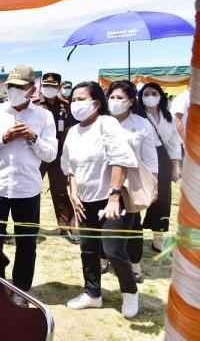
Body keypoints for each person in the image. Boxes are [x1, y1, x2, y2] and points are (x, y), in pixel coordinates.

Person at [0, 64, 57, 307]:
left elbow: (51, 154)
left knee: (27, 242)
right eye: (11, 86)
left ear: (32, 89)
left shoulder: (44, 116)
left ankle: (21, 288)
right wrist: (3, 138)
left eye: (21, 87)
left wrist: (33, 137)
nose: (15, 91)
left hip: (28, 188)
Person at [61, 81, 140, 319]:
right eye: (73, 100)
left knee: (113, 249)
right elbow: (70, 168)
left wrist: (114, 197)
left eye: (81, 99)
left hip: (112, 200)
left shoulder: (107, 124)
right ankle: (93, 294)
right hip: (85, 201)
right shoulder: (73, 132)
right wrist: (73, 194)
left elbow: (120, 160)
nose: (76, 104)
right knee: (88, 249)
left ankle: (130, 292)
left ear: (96, 103)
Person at [104, 80, 158, 284]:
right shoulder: (102, 122)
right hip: (104, 180)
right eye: (112, 97)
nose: (115, 101)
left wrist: (154, 184)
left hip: (132, 182)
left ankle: (135, 263)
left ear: (131, 101)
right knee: (103, 220)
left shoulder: (141, 124)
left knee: (133, 224)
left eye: (120, 98)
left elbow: (150, 157)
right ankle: (103, 259)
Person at [32, 72, 79, 244]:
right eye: (46, 85)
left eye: (53, 86)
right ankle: (30, 226)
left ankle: (66, 227)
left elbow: (68, 130)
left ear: (58, 88)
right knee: (31, 190)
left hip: (59, 155)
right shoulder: (34, 105)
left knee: (60, 190)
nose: (49, 89)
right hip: (38, 154)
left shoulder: (65, 106)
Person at [138, 83, 181, 252]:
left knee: (163, 200)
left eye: (154, 93)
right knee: (136, 197)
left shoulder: (167, 116)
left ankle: (158, 238)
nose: (150, 96)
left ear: (160, 96)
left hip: (162, 157)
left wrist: (174, 168)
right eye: (146, 93)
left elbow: (173, 143)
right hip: (141, 157)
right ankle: (131, 235)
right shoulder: (137, 115)